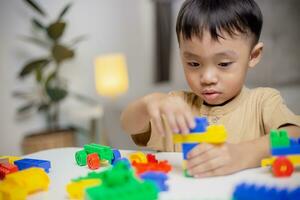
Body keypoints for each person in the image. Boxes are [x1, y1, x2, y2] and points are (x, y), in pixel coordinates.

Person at [120, 0, 300, 177]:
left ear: (253, 55)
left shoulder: (263, 102)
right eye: (193, 63)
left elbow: (295, 135)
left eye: (223, 63)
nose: (207, 78)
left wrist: (245, 153)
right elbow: (128, 125)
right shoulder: (176, 106)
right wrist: (148, 103)